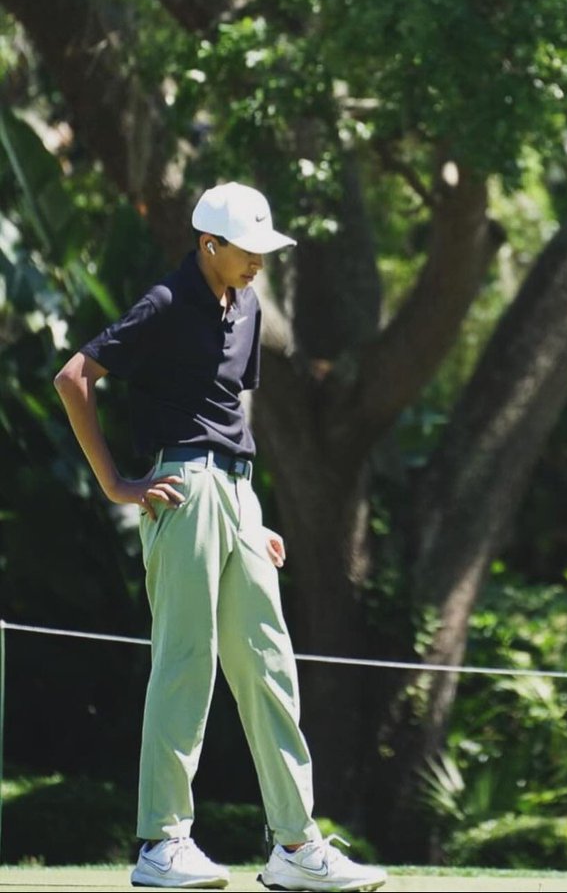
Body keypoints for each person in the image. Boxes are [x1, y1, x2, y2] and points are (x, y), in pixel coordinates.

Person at [54, 182, 387, 893]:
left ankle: (296, 846)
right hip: (182, 488)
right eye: (248, 250)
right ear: (209, 244)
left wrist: (252, 517)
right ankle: (162, 843)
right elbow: (74, 376)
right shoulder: (167, 303)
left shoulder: (251, 305)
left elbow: (235, 411)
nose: (260, 262)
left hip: (237, 497)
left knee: (270, 667)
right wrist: (119, 482)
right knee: (186, 661)